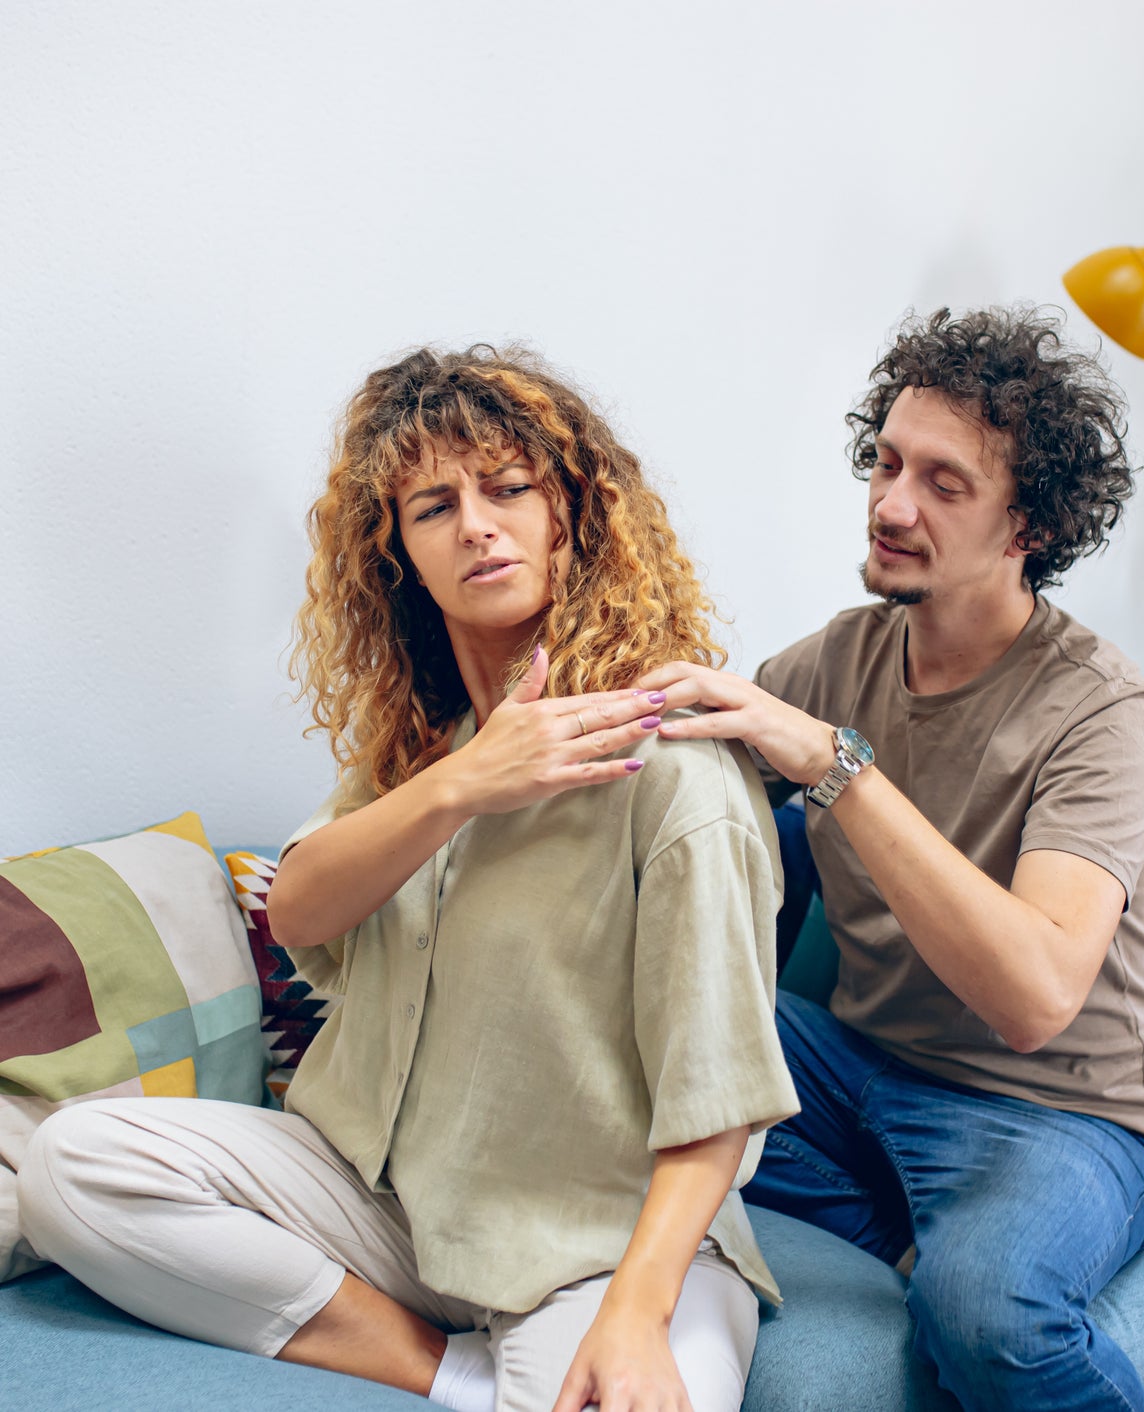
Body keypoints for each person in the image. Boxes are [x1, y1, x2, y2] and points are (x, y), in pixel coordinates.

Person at [18, 346, 799, 1412]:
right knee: (74, 1164)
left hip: (591, 1239)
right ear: (402, 560)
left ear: (573, 515)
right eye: (434, 506)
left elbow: (721, 1099)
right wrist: (463, 784)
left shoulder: (675, 772)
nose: (476, 523)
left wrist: (634, 1311)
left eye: (509, 487)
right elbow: (297, 906)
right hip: (373, 1196)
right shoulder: (421, 756)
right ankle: (446, 1371)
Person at [636, 307, 1144, 1412]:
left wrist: (834, 766)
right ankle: (904, 1226)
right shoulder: (843, 654)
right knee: (622, 1035)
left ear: (1025, 523)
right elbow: (673, 789)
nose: (892, 504)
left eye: (944, 483)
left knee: (988, 1317)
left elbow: (1034, 996)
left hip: (1060, 1107)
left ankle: (941, 1244)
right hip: (858, 1067)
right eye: (887, 462)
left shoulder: (1100, 709)